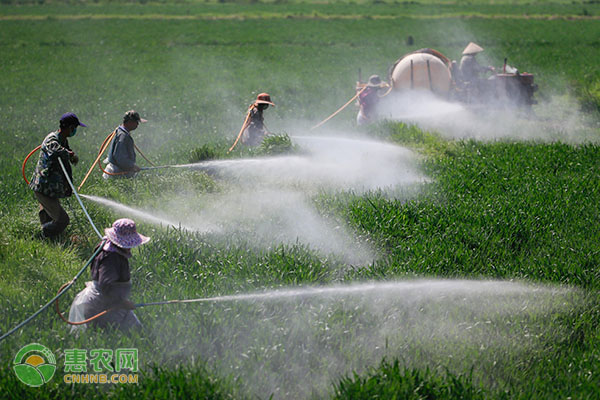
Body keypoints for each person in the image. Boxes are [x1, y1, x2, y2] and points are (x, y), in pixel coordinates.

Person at [68, 218, 150, 333]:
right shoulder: (111, 258)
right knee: (124, 334)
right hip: (103, 303)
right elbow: (106, 284)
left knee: (136, 332)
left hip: (108, 301)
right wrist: (121, 303)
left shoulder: (108, 246)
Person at [29, 112, 85, 238]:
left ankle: (50, 241)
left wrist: (68, 184)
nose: (75, 131)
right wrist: (70, 154)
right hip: (44, 188)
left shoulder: (63, 141)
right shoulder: (52, 139)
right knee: (62, 220)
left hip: (51, 189)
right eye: (75, 128)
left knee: (49, 218)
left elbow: (64, 165)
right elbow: (55, 152)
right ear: (70, 128)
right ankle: (39, 236)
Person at [103, 110, 147, 179]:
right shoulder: (123, 136)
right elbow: (120, 157)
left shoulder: (122, 132)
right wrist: (132, 166)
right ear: (130, 122)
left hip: (118, 172)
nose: (137, 125)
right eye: (136, 122)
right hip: (116, 173)